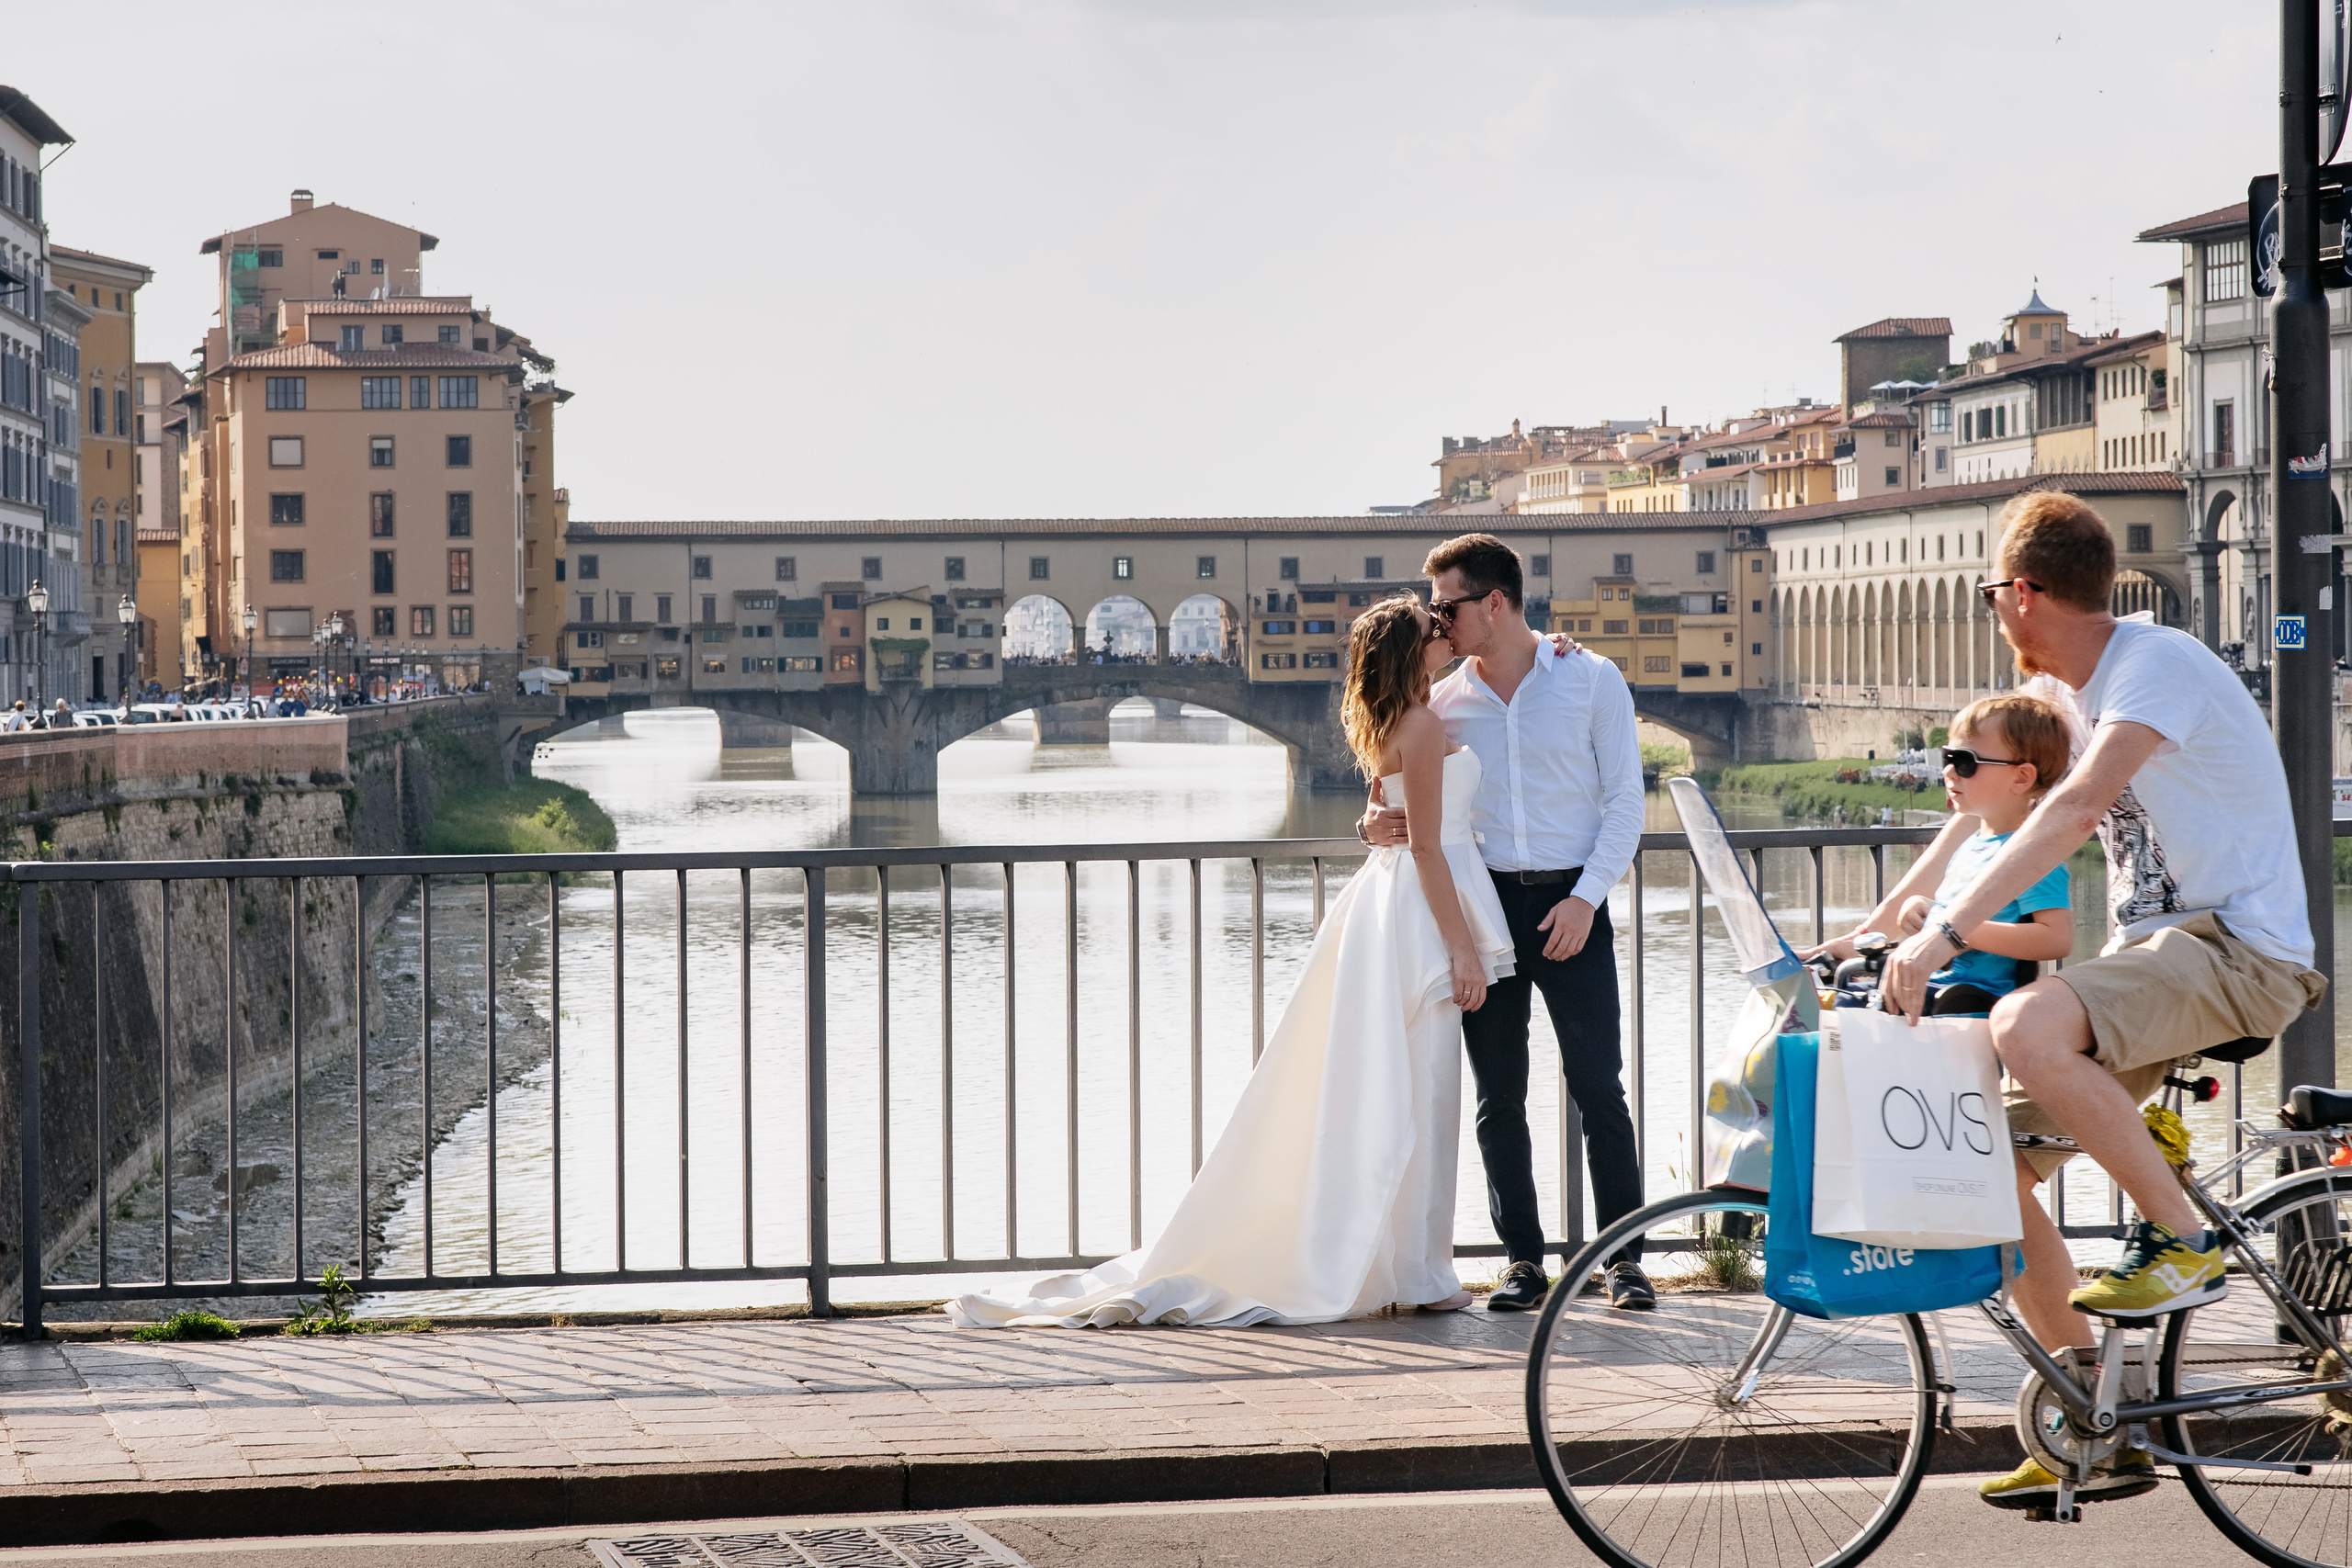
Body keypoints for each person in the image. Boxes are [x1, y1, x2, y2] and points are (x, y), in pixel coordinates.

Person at [1873, 491, 2327, 1513]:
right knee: (1980, 1169)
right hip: (2158, 958)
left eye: (1990, 591)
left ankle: (2182, 1239)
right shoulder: (2065, 694)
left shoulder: (2150, 664)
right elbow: (1995, 807)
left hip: (2239, 951)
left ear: (2023, 593)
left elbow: (2077, 806)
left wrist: (1948, 938)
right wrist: (1898, 913)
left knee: (2022, 1021)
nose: (1993, 609)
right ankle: (2096, 1416)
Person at [946, 597, 1515, 1327]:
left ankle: (1404, 1263)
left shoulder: (1396, 719)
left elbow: (1392, 817)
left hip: (1390, 908)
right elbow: (1428, 845)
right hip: (1418, 916)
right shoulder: (1426, 725)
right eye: (1432, 627)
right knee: (1424, 1094)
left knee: (1391, 1092)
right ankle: (1421, 1271)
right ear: (1414, 652)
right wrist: (1462, 947)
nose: (1443, 630)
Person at [1360, 534, 1649, 1313]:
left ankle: (1624, 1261)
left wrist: (1586, 898)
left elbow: (1626, 803)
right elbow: (1393, 786)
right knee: (1499, 1095)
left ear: (1494, 601)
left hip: (1573, 904)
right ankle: (1523, 1260)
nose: (1436, 620)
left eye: (1445, 606)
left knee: (1599, 1086)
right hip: (1484, 909)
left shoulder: (1591, 678)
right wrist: (1370, 823)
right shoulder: (1443, 699)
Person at [1808, 693, 2076, 1014]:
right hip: (1937, 988)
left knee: (1846, 1007)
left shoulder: (2032, 855)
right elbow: (1951, 914)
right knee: (1837, 995)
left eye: (1965, 762)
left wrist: (1956, 930)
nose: (1949, 771)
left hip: (1969, 1001)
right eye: (1947, 757)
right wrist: (1921, 909)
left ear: (2021, 777)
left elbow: (2056, 939)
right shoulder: (1971, 845)